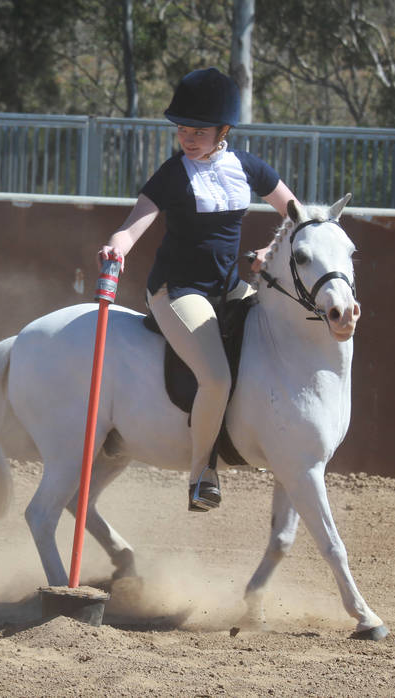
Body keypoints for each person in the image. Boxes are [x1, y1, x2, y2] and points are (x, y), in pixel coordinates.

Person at [98, 67, 298, 512]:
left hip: (229, 288)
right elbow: (135, 223)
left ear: (223, 130)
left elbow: (296, 213)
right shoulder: (173, 173)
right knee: (216, 376)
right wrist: (118, 245)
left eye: (198, 130)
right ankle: (201, 473)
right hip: (178, 290)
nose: (188, 137)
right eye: (183, 129)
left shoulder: (248, 167)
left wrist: (270, 247)